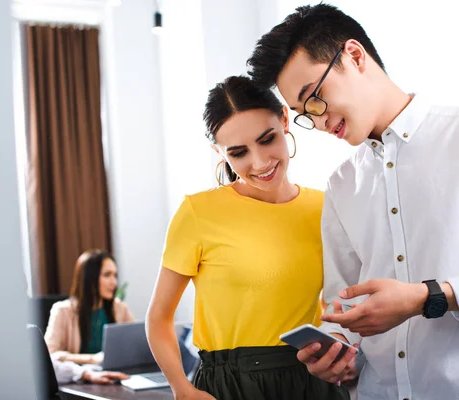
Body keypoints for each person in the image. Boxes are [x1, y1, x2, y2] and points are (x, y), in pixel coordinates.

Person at [246, 4, 459, 399]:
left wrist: (429, 297)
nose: (320, 120)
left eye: (315, 99)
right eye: (304, 114)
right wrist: (335, 352)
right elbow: (343, 308)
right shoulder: (342, 184)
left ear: (355, 55)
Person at [145, 76, 351, 400]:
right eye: (238, 152)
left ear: (284, 119)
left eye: (267, 139)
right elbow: (158, 317)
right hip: (230, 385)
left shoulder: (325, 206)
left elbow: (336, 303)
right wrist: (181, 389)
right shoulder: (198, 213)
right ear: (219, 152)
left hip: (311, 380)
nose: (260, 162)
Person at [44, 249, 135, 365]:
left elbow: (135, 345)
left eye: (115, 275)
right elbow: (50, 354)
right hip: (81, 379)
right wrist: (92, 359)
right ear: (90, 278)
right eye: (107, 275)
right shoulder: (62, 311)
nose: (114, 282)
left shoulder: (120, 308)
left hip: (116, 374)